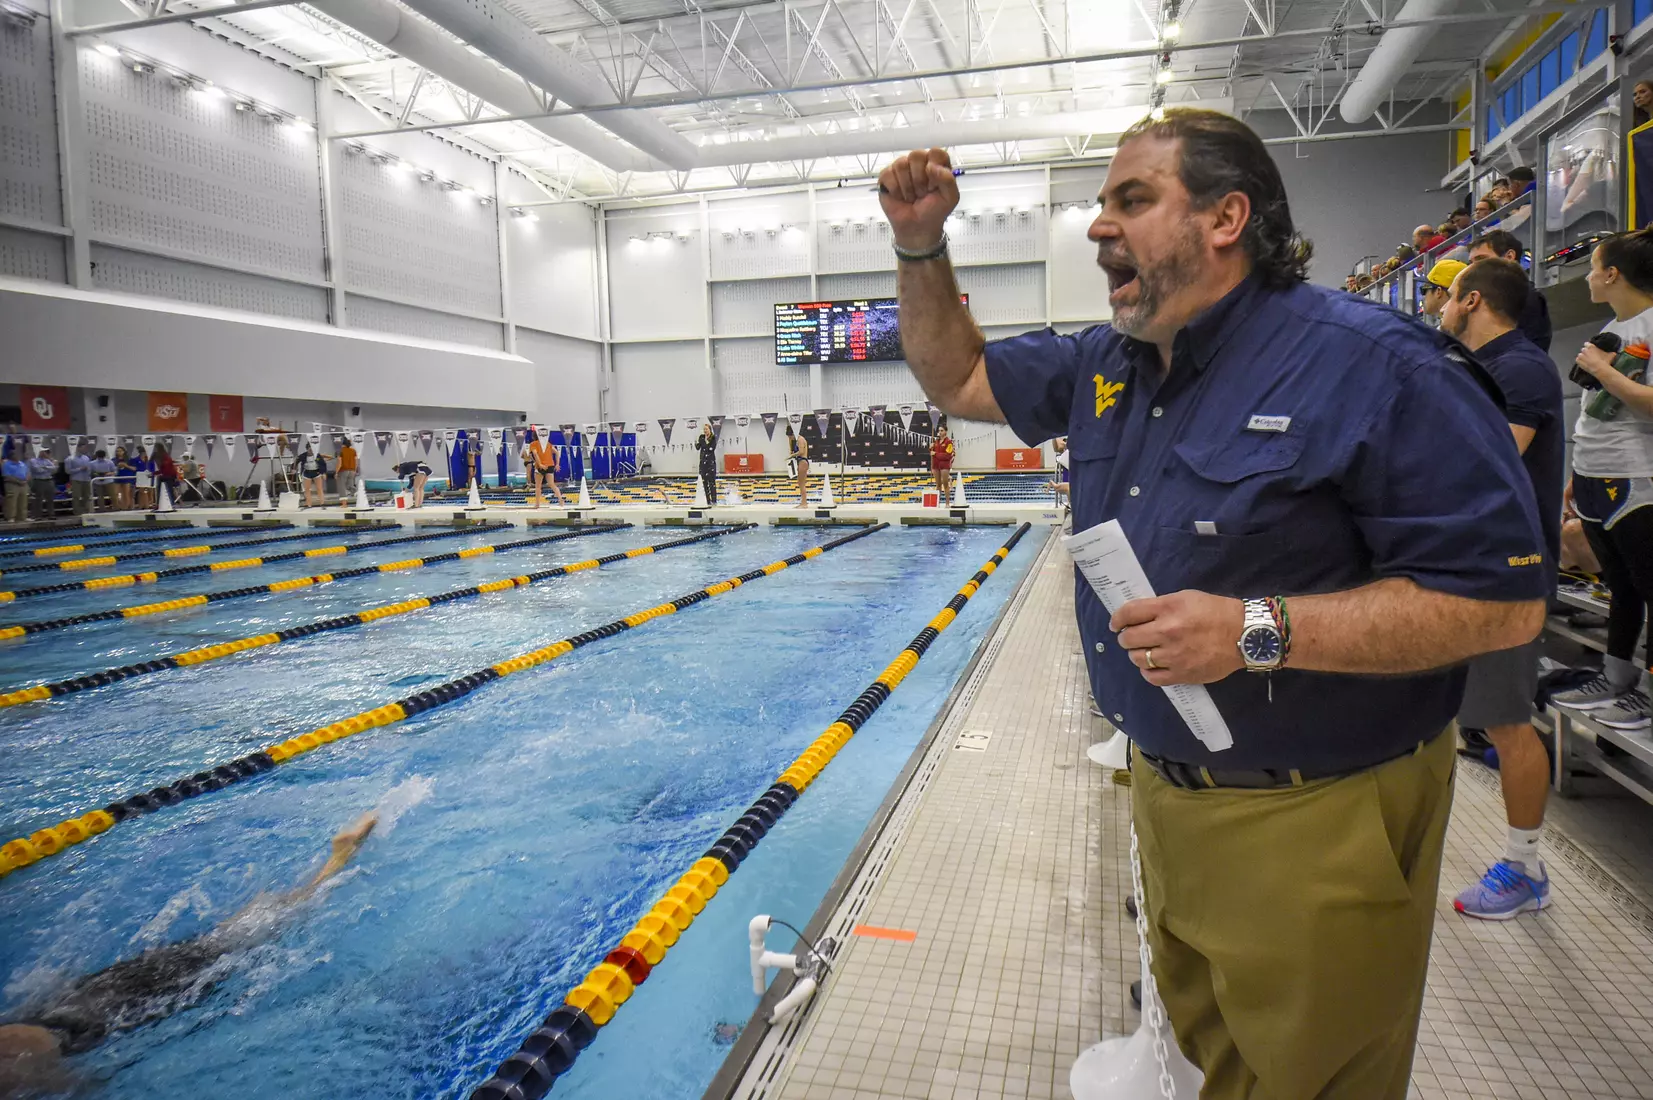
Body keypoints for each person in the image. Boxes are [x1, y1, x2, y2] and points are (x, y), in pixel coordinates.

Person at [877, 109, 1548, 1098]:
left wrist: (1255, 630)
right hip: (1168, 789)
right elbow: (960, 375)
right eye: (1102, 203)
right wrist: (918, 244)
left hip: (1317, 810)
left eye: (1132, 200)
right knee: (1210, 1061)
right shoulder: (1109, 361)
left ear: (1226, 218)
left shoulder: (1374, 364)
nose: (1099, 225)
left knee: (1308, 1080)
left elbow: (1500, 603)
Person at [0, 814, 377, 1096]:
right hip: (92, 993)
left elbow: (82, 1085)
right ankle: (327, 868)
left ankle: (335, 863)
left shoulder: (16, 1069)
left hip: (122, 1004)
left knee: (236, 943)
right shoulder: (17, 1045)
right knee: (220, 941)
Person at [1436, 258, 1566, 917]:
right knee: (1442, 712)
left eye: (1446, 295)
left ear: (1473, 300)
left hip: (1506, 572)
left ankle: (1525, 868)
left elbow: (1486, 465)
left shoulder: (1520, 368)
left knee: (1507, 722)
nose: (1437, 306)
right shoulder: (1476, 366)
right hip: (1462, 565)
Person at [1551, 231, 1653, 731]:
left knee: (1648, 587)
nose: (1589, 277)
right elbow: (1597, 408)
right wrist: (1578, 470)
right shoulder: (1615, 327)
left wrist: (1603, 371)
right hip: (1595, 471)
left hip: (1636, 477)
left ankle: (1648, 695)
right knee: (1620, 585)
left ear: (1612, 274)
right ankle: (1616, 678)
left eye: (1593, 267)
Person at [1468, 229, 1551, 351]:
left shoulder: (1526, 298)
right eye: (1471, 263)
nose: (1472, 268)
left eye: (1481, 259)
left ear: (1509, 257)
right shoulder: (1488, 299)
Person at [525, 431, 564, 508]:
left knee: (538, 487)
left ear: (533, 436)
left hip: (540, 467)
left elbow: (535, 454)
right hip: (550, 465)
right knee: (552, 484)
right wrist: (557, 464)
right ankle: (560, 500)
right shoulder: (547, 444)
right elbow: (557, 452)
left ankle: (537, 504)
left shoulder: (533, 444)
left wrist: (540, 464)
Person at [26, 447, 56, 521]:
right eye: (44, 452)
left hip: (49, 481)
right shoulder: (33, 460)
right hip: (39, 481)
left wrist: (44, 467)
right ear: (40, 452)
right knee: (38, 499)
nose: (46, 454)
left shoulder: (47, 460)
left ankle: (51, 514)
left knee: (50, 499)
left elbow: (54, 468)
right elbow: (37, 470)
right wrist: (47, 468)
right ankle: (38, 515)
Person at [929, 422, 955, 500]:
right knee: (938, 485)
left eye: (942, 430)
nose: (940, 432)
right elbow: (932, 453)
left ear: (946, 431)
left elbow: (947, 456)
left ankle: (947, 503)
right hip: (936, 465)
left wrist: (935, 453)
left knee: (945, 484)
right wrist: (930, 448)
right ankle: (938, 502)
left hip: (944, 466)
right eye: (939, 430)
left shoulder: (949, 442)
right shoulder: (936, 441)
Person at [785, 422, 809, 507]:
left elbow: (801, 452)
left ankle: (804, 503)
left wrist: (792, 455)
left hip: (803, 462)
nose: (790, 438)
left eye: (790, 437)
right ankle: (803, 502)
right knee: (800, 483)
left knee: (801, 483)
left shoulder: (800, 439)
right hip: (801, 462)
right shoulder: (797, 440)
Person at [64, 447, 93, 516]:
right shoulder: (69, 459)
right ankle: (77, 512)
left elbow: (89, 468)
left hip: (86, 479)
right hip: (76, 479)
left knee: (87, 496)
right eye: (83, 448)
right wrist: (80, 469)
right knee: (76, 496)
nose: (85, 449)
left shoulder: (86, 458)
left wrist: (89, 472)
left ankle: (85, 511)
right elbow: (68, 471)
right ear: (78, 448)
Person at [694, 422, 717, 504]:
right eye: (704, 429)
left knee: (712, 483)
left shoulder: (713, 438)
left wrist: (705, 443)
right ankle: (707, 500)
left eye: (706, 429)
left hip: (710, 463)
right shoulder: (701, 437)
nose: (705, 431)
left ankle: (714, 500)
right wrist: (695, 442)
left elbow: (711, 449)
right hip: (703, 463)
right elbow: (698, 447)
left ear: (710, 430)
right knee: (704, 483)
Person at [2, 450, 27, 523]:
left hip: (23, 484)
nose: (19, 456)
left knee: (23, 501)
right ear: (12, 456)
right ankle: (11, 517)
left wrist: (25, 480)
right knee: (11, 501)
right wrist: (18, 481)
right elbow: (7, 476)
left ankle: (22, 517)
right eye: (17, 454)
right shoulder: (7, 464)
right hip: (12, 484)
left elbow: (27, 472)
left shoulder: (22, 463)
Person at [113, 445, 136, 511]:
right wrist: (117, 467)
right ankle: (118, 506)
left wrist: (126, 465)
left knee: (126, 493)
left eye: (120, 451)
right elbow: (112, 469)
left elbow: (134, 468)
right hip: (117, 478)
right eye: (117, 451)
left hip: (127, 478)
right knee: (115, 493)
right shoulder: (114, 460)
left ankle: (126, 507)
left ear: (124, 452)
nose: (119, 452)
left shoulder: (130, 460)